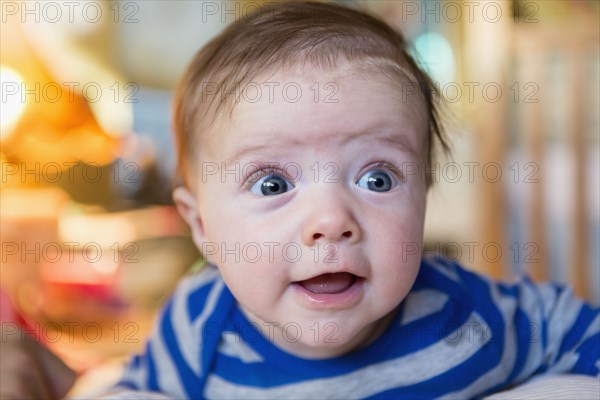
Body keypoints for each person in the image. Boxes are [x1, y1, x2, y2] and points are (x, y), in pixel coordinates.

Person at [76, 1, 600, 398]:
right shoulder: (197, 326)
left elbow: (582, 333)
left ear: (423, 197)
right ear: (203, 228)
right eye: (272, 185)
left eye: (377, 179)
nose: (331, 221)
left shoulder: (465, 315)